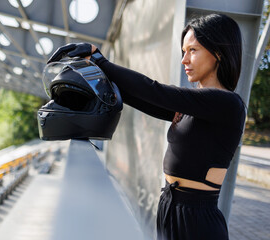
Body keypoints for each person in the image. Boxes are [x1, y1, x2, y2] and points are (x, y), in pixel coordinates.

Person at [47, 13, 245, 240]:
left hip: (197, 218)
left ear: (218, 52)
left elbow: (154, 91)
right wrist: (99, 69)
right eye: (183, 51)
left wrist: (101, 61)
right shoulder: (197, 105)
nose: (184, 60)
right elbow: (146, 100)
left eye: (193, 50)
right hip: (170, 207)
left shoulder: (228, 104)